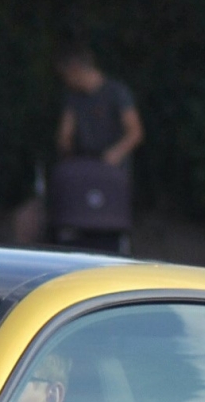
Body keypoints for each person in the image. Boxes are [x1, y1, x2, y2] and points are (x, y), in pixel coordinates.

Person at [49, 46, 142, 253]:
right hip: (83, 169)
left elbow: (135, 131)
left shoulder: (116, 92)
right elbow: (65, 136)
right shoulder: (74, 98)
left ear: (75, 70)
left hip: (112, 173)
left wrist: (115, 153)